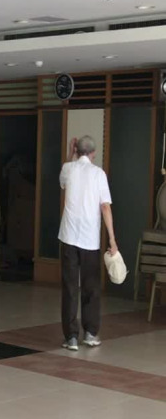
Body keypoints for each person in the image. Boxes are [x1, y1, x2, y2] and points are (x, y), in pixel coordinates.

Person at [58, 135, 117, 351]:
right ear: (93, 153)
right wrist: (112, 239)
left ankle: (71, 337)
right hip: (90, 239)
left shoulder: (68, 168)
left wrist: (70, 152)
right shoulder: (99, 174)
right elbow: (105, 207)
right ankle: (90, 333)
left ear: (76, 150)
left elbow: (63, 181)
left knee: (70, 287)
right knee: (91, 287)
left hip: (69, 237)